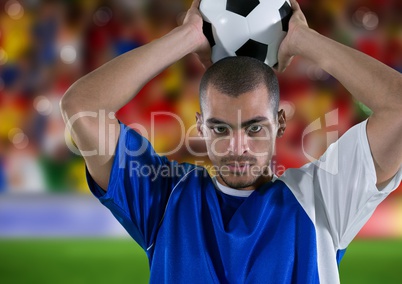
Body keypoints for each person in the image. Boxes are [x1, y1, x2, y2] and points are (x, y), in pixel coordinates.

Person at [60, 0, 402, 282]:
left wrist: (303, 39)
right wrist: (188, 35)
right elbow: (81, 108)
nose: (238, 147)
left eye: (254, 128)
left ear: (280, 123)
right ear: (201, 127)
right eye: (221, 129)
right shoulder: (163, 198)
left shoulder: (324, 198)